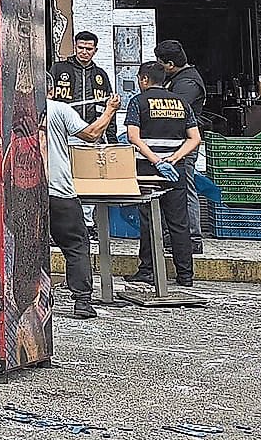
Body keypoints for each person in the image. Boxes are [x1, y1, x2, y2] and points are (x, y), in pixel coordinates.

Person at [124, 61, 201, 289]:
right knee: (179, 222)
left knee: (148, 219)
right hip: (174, 170)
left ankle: (147, 270)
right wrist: (175, 158)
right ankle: (185, 275)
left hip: (148, 171)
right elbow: (195, 138)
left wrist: (155, 159)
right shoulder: (181, 103)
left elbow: (133, 137)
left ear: (145, 79)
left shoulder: (138, 102)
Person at [45, 93, 117, 318]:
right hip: (59, 192)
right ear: (52, 90)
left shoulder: (10, 106)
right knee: (76, 246)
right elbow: (92, 134)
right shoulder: (58, 109)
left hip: (21, 192)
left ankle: (34, 299)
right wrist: (110, 110)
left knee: (27, 249)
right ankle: (82, 302)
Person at [142, 38, 208, 278]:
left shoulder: (187, 84)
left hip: (179, 149)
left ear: (170, 64)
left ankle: (192, 238)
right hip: (170, 147)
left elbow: (174, 114)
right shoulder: (177, 79)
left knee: (185, 191)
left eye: (161, 63)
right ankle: (177, 242)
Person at [48, 32, 115, 123]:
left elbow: (109, 106)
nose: (84, 52)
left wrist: (111, 136)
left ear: (95, 50)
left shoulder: (101, 74)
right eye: (80, 48)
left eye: (89, 49)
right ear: (75, 47)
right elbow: (47, 100)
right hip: (63, 129)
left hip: (92, 130)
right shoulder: (58, 69)